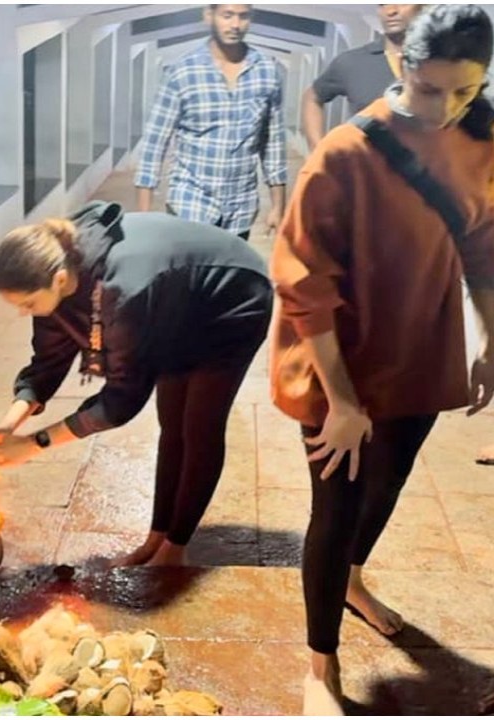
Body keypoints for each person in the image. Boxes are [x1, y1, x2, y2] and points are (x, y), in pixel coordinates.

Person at [269, 5, 494, 714]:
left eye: (466, 92)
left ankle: (354, 579)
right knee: (334, 506)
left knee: (389, 481)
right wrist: (340, 402)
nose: (446, 109)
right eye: (432, 91)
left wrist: (489, 337)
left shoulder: (481, 136)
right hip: (337, 354)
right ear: (402, 65)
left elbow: (483, 245)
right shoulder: (344, 153)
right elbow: (306, 287)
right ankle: (319, 665)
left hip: (421, 344)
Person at [0, 201, 273, 568]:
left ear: (59, 280)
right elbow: (46, 364)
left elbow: (120, 402)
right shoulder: (55, 276)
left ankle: (175, 549)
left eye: (27, 303)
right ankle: (156, 538)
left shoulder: (122, 289)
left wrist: (34, 443)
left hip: (231, 299)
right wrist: (6, 427)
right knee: (172, 425)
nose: (23, 312)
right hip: (174, 301)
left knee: (199, 425)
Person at [135, 4, 287, 242]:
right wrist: (143, 218)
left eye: (243, 16)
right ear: (209, 16)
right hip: (190, 201)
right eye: (227, 16)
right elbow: (155, 144)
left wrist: (278, 206)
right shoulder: (183, 72)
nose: (235, 24)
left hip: (241, 206)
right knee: (188, 277)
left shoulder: (267, 72)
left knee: (229, 278)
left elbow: (273, 143)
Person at [301, 5, 425, 151]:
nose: (390, 11)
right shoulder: (353, 62)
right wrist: (318, 152)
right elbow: (312, 97)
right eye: (383, 4)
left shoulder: (448, 64)